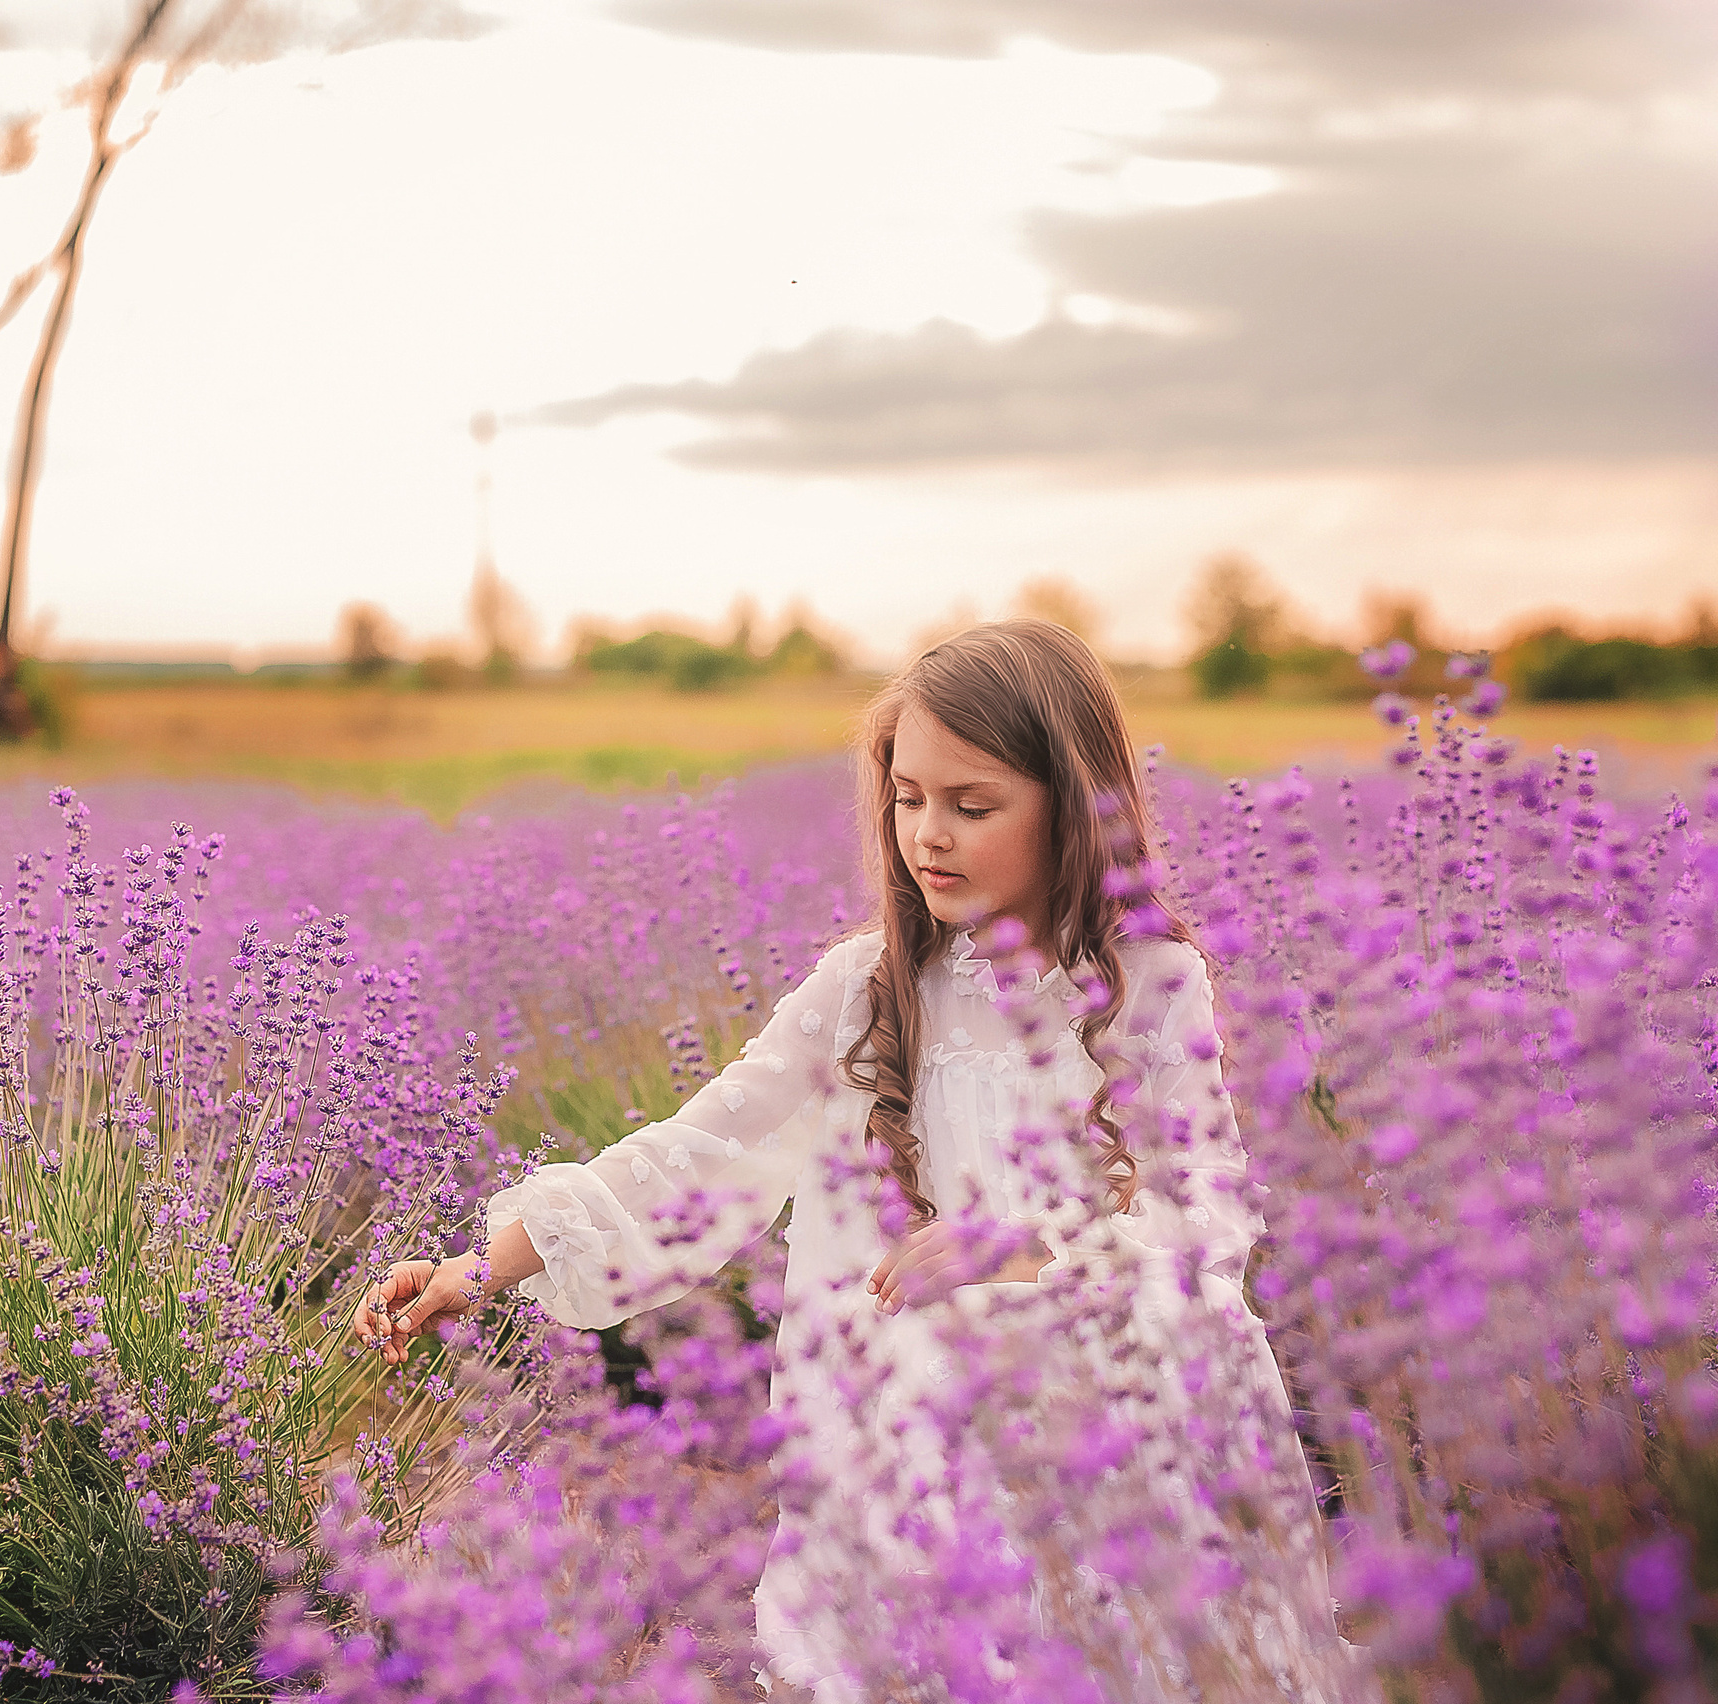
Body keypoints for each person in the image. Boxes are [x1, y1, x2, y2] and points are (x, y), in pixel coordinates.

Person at [350, 620, 1357, 1700]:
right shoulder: (864, 985)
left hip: (1119, 1414)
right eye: (907, 796)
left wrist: (1027, 1253)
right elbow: (699, 1150)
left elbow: (1205, 1218)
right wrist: (476, 1270)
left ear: (1068, 808)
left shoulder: (1149, 986)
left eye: (972, 805)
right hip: (920, 1433)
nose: (929, 833)